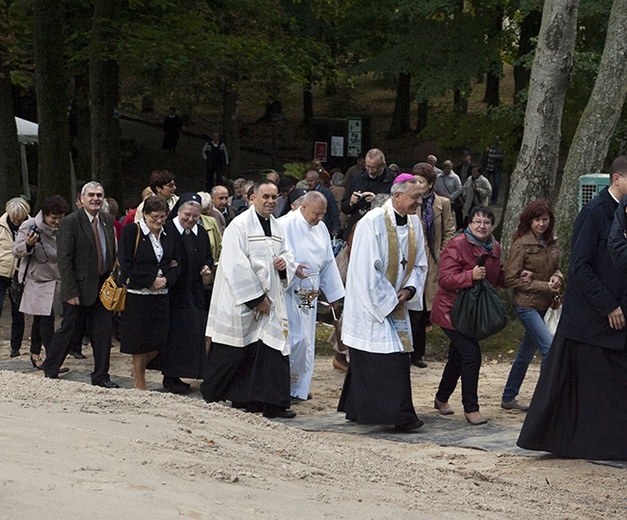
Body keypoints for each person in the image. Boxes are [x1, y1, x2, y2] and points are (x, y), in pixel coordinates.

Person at [518, 156, 627, 461]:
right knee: (576, 388)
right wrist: (608, 306)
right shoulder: (594, 212)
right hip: (590, 319)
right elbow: (580, 267)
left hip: (615, 317)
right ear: (616, 179)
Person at [201, 180, 302, 419]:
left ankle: (271, 403)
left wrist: (284, 264)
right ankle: (219, 396)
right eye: (265, 196)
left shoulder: (278, 227)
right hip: (243, 301)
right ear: (253, 198)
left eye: (274, 197)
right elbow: (235, 265)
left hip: (271, 299)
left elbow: (288, 254)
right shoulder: (239, 225)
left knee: (271, 351)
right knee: (236, 351)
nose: (270, 201)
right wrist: (256, 299)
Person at [338, 174, 428, 432]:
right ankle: (399, 415)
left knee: (389, 354)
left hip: (398, 299)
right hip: (372, 304)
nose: (419, 202)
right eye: (415, 197)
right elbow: (367, 270)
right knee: (389, 357)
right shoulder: (372, 223)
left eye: (420, 197)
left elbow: (420, 264)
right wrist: (389, 301)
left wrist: (410, 289)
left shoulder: (414, 224)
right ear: (397, 196)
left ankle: (356, 407)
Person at [40, 182, 119, 388]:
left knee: (103, 332)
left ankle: (101, 376)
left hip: (102, 288)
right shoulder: (70, 222)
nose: (96, 199)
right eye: (91, 195)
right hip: (78, 288)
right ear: (82, 199)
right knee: (69, 329)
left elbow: (110, 251)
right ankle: (51, 367)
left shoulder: (106, 220)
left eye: (99, 195)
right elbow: (64, 260)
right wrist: (70, 291)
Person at [431, 206, 505, 425]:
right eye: (477, 222)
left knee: (458, 356)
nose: (482, 226)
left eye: (487, 222)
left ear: (492, 225)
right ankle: (471, 408)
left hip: (473, 313)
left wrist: (517, 275)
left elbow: (497, 277)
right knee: (471, 354)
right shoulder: (457, 245)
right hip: (451, 311)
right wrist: (469, 275)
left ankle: (441, 397)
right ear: (469, 224)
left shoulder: (495, 247)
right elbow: (444, 279)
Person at [279, 191, 345, 402]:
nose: (319, 219)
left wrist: (334, 293)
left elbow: (327, 262)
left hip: (311, 287)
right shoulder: (284, 224)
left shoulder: (321, 227)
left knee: (307, 338)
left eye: (322, 214)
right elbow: (277, 256)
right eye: (316, 214)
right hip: (290, 287)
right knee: (294, 337)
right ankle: (283, 385)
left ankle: (299, 386)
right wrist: (293, 267)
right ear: (303, 207)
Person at [501, 200, 562, 411]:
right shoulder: (521, 243)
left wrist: (557, 277)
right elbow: (510, 279)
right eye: (537, 220)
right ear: (530, 220)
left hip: (546, 304)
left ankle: (509, 397)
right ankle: (543, 401)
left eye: (545, 219)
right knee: (549, 348)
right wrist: (545, 286)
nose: (541, 224)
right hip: (526, 304)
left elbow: (557, 268)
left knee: (525, 354)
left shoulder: (552, 241)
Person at [119, 196, 180, 390]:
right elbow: (127, 263)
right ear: (145, 214)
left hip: (161, 294)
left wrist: (166, 279)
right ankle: (140, 382)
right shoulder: (132, 231)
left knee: (159, 340)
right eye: (155, 217)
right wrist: (150, 280)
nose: (159, 221)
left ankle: (139, 368)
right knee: (139, 341)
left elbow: (177, 262)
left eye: (163, 217)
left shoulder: (169, 232)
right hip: (138, 294)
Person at [160, 193, 213, 393]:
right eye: (187, 215)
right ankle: (171, 376)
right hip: (174, 292)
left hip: (195, 290)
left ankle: (194, 372)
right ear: (179, 211)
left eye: (195, 216)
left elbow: (208, 255)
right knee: (174, 336)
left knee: (195, 333)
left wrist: (207, 267)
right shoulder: (168, 229)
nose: (190, 220)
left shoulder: (200, 232)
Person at [13, 196, 70, 370]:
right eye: (54, 218)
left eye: (60, 217)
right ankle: (53, 362)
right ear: (45, 215)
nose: (57, 221)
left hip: (55, 281)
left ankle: (35, 354)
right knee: (46, 320)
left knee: (40, 319)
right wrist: (28, 244)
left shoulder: (64, 227)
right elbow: (16, 250)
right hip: (37, 281)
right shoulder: (29, 226)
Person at [408, 164, 455, 369]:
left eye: (421, 181)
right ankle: (410, 350)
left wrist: (443, 255)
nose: (418, 185)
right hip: (413, 259)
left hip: (434, 260)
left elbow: (449, 230)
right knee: (414, 306)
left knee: (427, 307)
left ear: (431, 183)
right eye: (415, 181)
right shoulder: (410, 202)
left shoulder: (442, 203)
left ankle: (419, 352)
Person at [341, 148, 396, 239]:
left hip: (380, 231)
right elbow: (344, 207)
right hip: (356, 229)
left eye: (374, 167)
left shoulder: (392, 181)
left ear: (383, 165)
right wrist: (351, 202)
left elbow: (397, 207)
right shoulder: (356, 178)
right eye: (367, 166)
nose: (370, 171)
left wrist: (377, 200)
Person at [0, 197, 30, 357]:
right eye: (13, 219)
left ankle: (15, 346)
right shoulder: (1, 225)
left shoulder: (32, 225)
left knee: (17, 312)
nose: (16, 222)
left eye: (19, 219)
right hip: (2, 271)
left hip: (20, 273)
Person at [305, 170, 341, 237]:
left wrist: (336, 229)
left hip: (324, 227)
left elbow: (334, 211)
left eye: (311, 181)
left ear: (317, 180)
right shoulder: (306, 193)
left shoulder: (326, 193)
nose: (309, 183)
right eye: (307, 181)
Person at [433, 160, 464, 231]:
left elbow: (459, 189)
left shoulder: (455, 177)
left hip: (452, 200)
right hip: (441, 199)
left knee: (453, 213)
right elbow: (436, 187)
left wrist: (451, 196)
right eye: (446, 168)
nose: (447, 170)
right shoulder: (439, 177)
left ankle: (458, 226)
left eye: (449, 168)